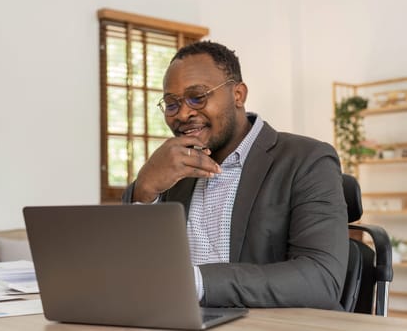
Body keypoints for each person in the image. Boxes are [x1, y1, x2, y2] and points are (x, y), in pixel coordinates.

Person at [122, 41, 348, 310]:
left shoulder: (307, 160)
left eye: (198, 97)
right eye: (172, 104)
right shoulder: (172, 168)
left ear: (238, 95)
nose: (183, 113)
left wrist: (197, 283)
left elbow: (320, 279)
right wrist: (144, 189)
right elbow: (132, 269)